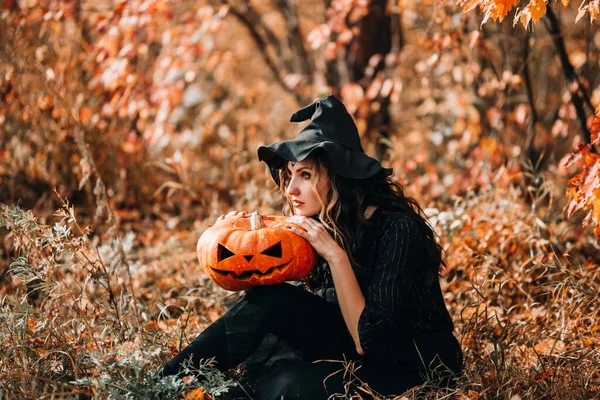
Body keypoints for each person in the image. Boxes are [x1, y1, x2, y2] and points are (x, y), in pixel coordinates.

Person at [160, 95, 463, 398]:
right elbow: (280, 295)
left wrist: (335, 256)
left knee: (290, 383)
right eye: (291, 175)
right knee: (271, 300)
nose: (291, 189)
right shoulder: (326, 221)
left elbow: (370, 343)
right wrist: (229, 233)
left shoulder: (398, 230)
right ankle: (160, 385)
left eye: (306, 175)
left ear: (341, 178)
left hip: (409, 362)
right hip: (346, 343)